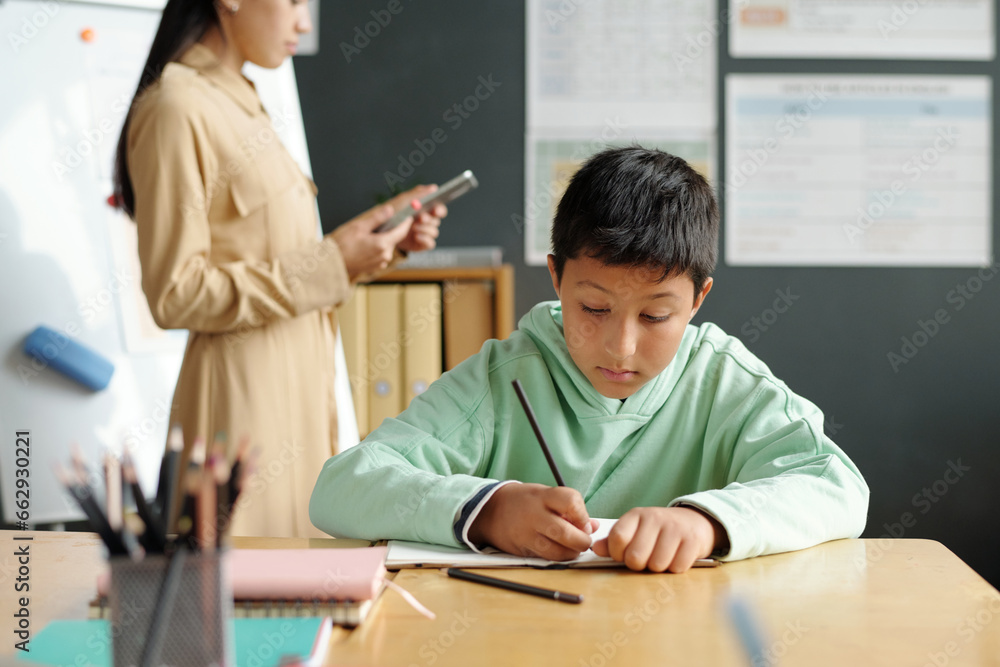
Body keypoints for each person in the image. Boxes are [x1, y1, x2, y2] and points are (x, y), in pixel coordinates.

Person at [309, 146, 869, 571]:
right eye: (594, 307)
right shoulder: (506, 378)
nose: (620, 347)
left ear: (698, 298)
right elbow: (342, 487)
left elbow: (836, 485)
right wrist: (487, 508)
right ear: (556, 277)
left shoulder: (723, 380)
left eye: (655, 317)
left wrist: (707, 523)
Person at [112, 0, 445, 538]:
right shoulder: (177, 107)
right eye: (293, 2)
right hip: (240, 409)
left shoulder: (243, 104)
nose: (304, 23)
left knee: (304, 596)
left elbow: (283, 263)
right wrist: (332, 260)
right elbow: (175, 293)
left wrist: (375, 242)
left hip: (303, 404)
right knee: (241, 600)